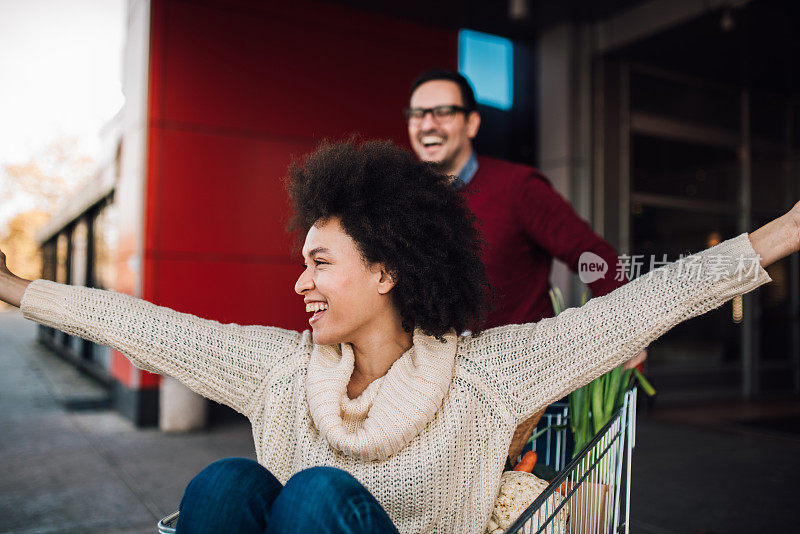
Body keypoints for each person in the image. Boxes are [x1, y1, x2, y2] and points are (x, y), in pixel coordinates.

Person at [1, 139, 797, 534]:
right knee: (223, 486)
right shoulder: (281, 368)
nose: (299, 283)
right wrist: (13, 290)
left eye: (320, 263)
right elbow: (140, 325)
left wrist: (784, 232)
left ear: (387, 270)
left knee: (313, 495)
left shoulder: (490, 372)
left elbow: (647, 304)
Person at [405, 70, 645, 460]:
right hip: (438, 400)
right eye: (417, 114)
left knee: (527, 515)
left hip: (525, 397)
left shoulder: (518, 188)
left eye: (443, 112)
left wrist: (625, 325)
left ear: (472, 122)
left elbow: (592, 257)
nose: (428, 123)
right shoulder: (405, 202)